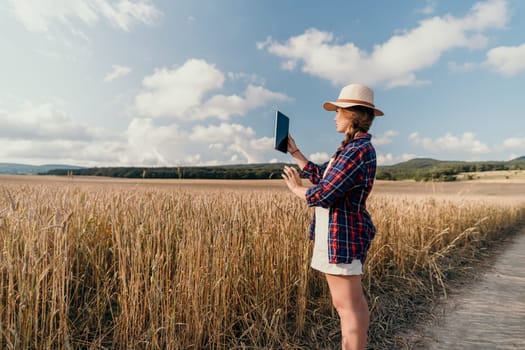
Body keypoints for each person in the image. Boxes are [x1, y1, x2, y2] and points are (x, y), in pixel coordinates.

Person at [281, 83, 383, 350]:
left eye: (338, 111)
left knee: (349, 308)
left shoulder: (356, 151)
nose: (334, 116)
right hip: (336, 238)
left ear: (352, 116)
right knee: (347, 305)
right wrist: (295, 152)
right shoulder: (349, 149)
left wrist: (296, 189)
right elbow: (321, 175)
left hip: (342, 239)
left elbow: (324, 193)